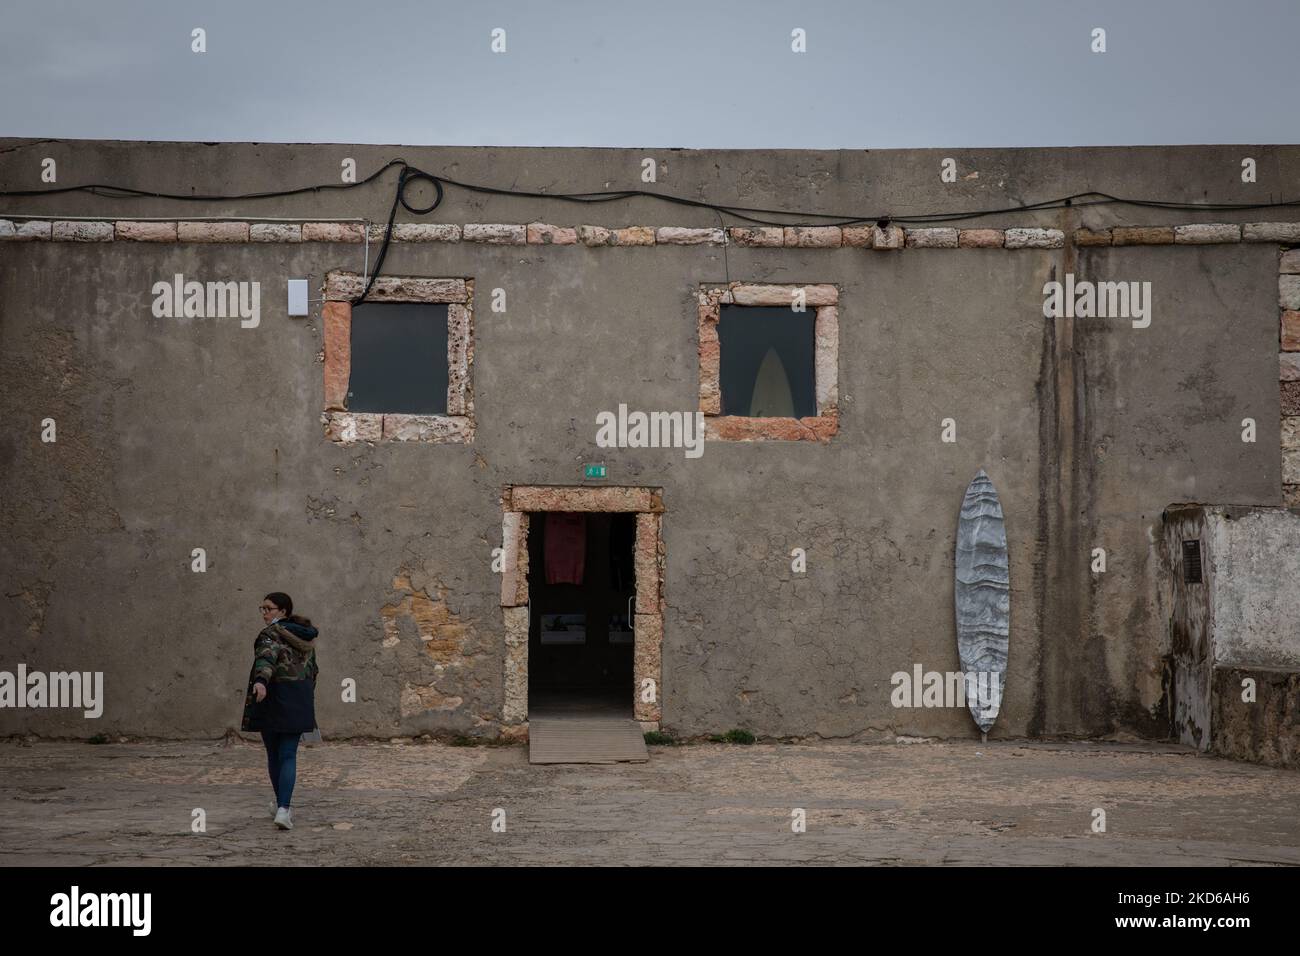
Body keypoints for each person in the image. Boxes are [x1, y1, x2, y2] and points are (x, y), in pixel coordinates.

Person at [240, 592, 319, 830]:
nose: (264, 613)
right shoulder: (306, 637)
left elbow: (266, 658)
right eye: (262, 608)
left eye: (269, 608)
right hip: (300, 699)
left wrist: (261, 682)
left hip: (274, 698)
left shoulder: (269, 634)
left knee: (276, 755)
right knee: (288, 755)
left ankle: (283, 807)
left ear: (283, 611)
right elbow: (313, 671)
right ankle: (282, 807)